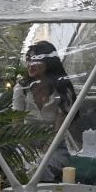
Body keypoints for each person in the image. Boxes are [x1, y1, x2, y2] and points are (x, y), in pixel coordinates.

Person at [12, 40, 78, 181]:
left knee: (41, 167)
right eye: (29, 59)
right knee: (19, 167)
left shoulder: (62, 91)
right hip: (26, 144)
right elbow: (16, 126)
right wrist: (28, 152)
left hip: (54, 146)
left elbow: (57, 130)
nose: (31, 64)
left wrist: (41, 155)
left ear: (49, 61)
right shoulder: (21, 89)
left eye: (36, 60)